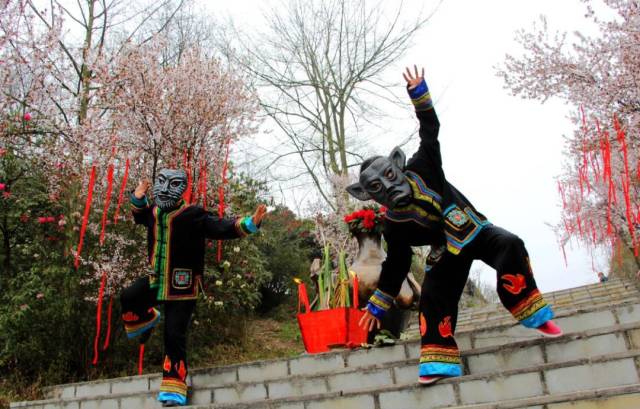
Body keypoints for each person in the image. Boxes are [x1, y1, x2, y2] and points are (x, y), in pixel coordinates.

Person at [347, 66, 562, 386]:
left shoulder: (424, 165)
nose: (388, 187)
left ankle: (530, 311)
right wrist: (379, 303)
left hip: (472, 229)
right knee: (433, 298)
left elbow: (429, 128)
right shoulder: (393, 224)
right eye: (377, 188)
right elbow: (398, 262)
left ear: (398, 163)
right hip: (444, 251)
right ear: (368, 197)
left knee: (510, 244)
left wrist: (419, 94)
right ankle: (438, 361)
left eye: (389, 176)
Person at [120, 169, 267, 407]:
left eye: (173, 184)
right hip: (155, 279)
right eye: (161, 183)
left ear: (183, 188)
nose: (165, 189)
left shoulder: (193, 214)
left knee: (173, 335)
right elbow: (140, 215)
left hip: (182, 286)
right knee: (129, 296)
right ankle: (146, 320)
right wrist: (137, 197)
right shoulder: (154, 212)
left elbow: (220, 227)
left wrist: (250, 223)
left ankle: (173, 389)